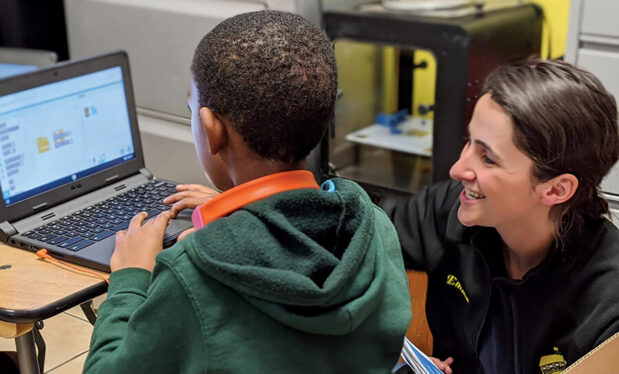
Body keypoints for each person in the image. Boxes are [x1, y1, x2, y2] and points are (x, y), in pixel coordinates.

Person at [83, 10, 412, 373]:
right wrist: (250, 215)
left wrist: (130, 279)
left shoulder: (191, 275)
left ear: (212, 130)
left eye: (192, 109)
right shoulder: (374, 228)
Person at [382, 59, 619, 374]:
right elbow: (357, 236)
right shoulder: (451, 210)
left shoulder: (608, 302)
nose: (458, 170)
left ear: (557, 189)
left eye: (488, 158)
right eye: (469, 142)